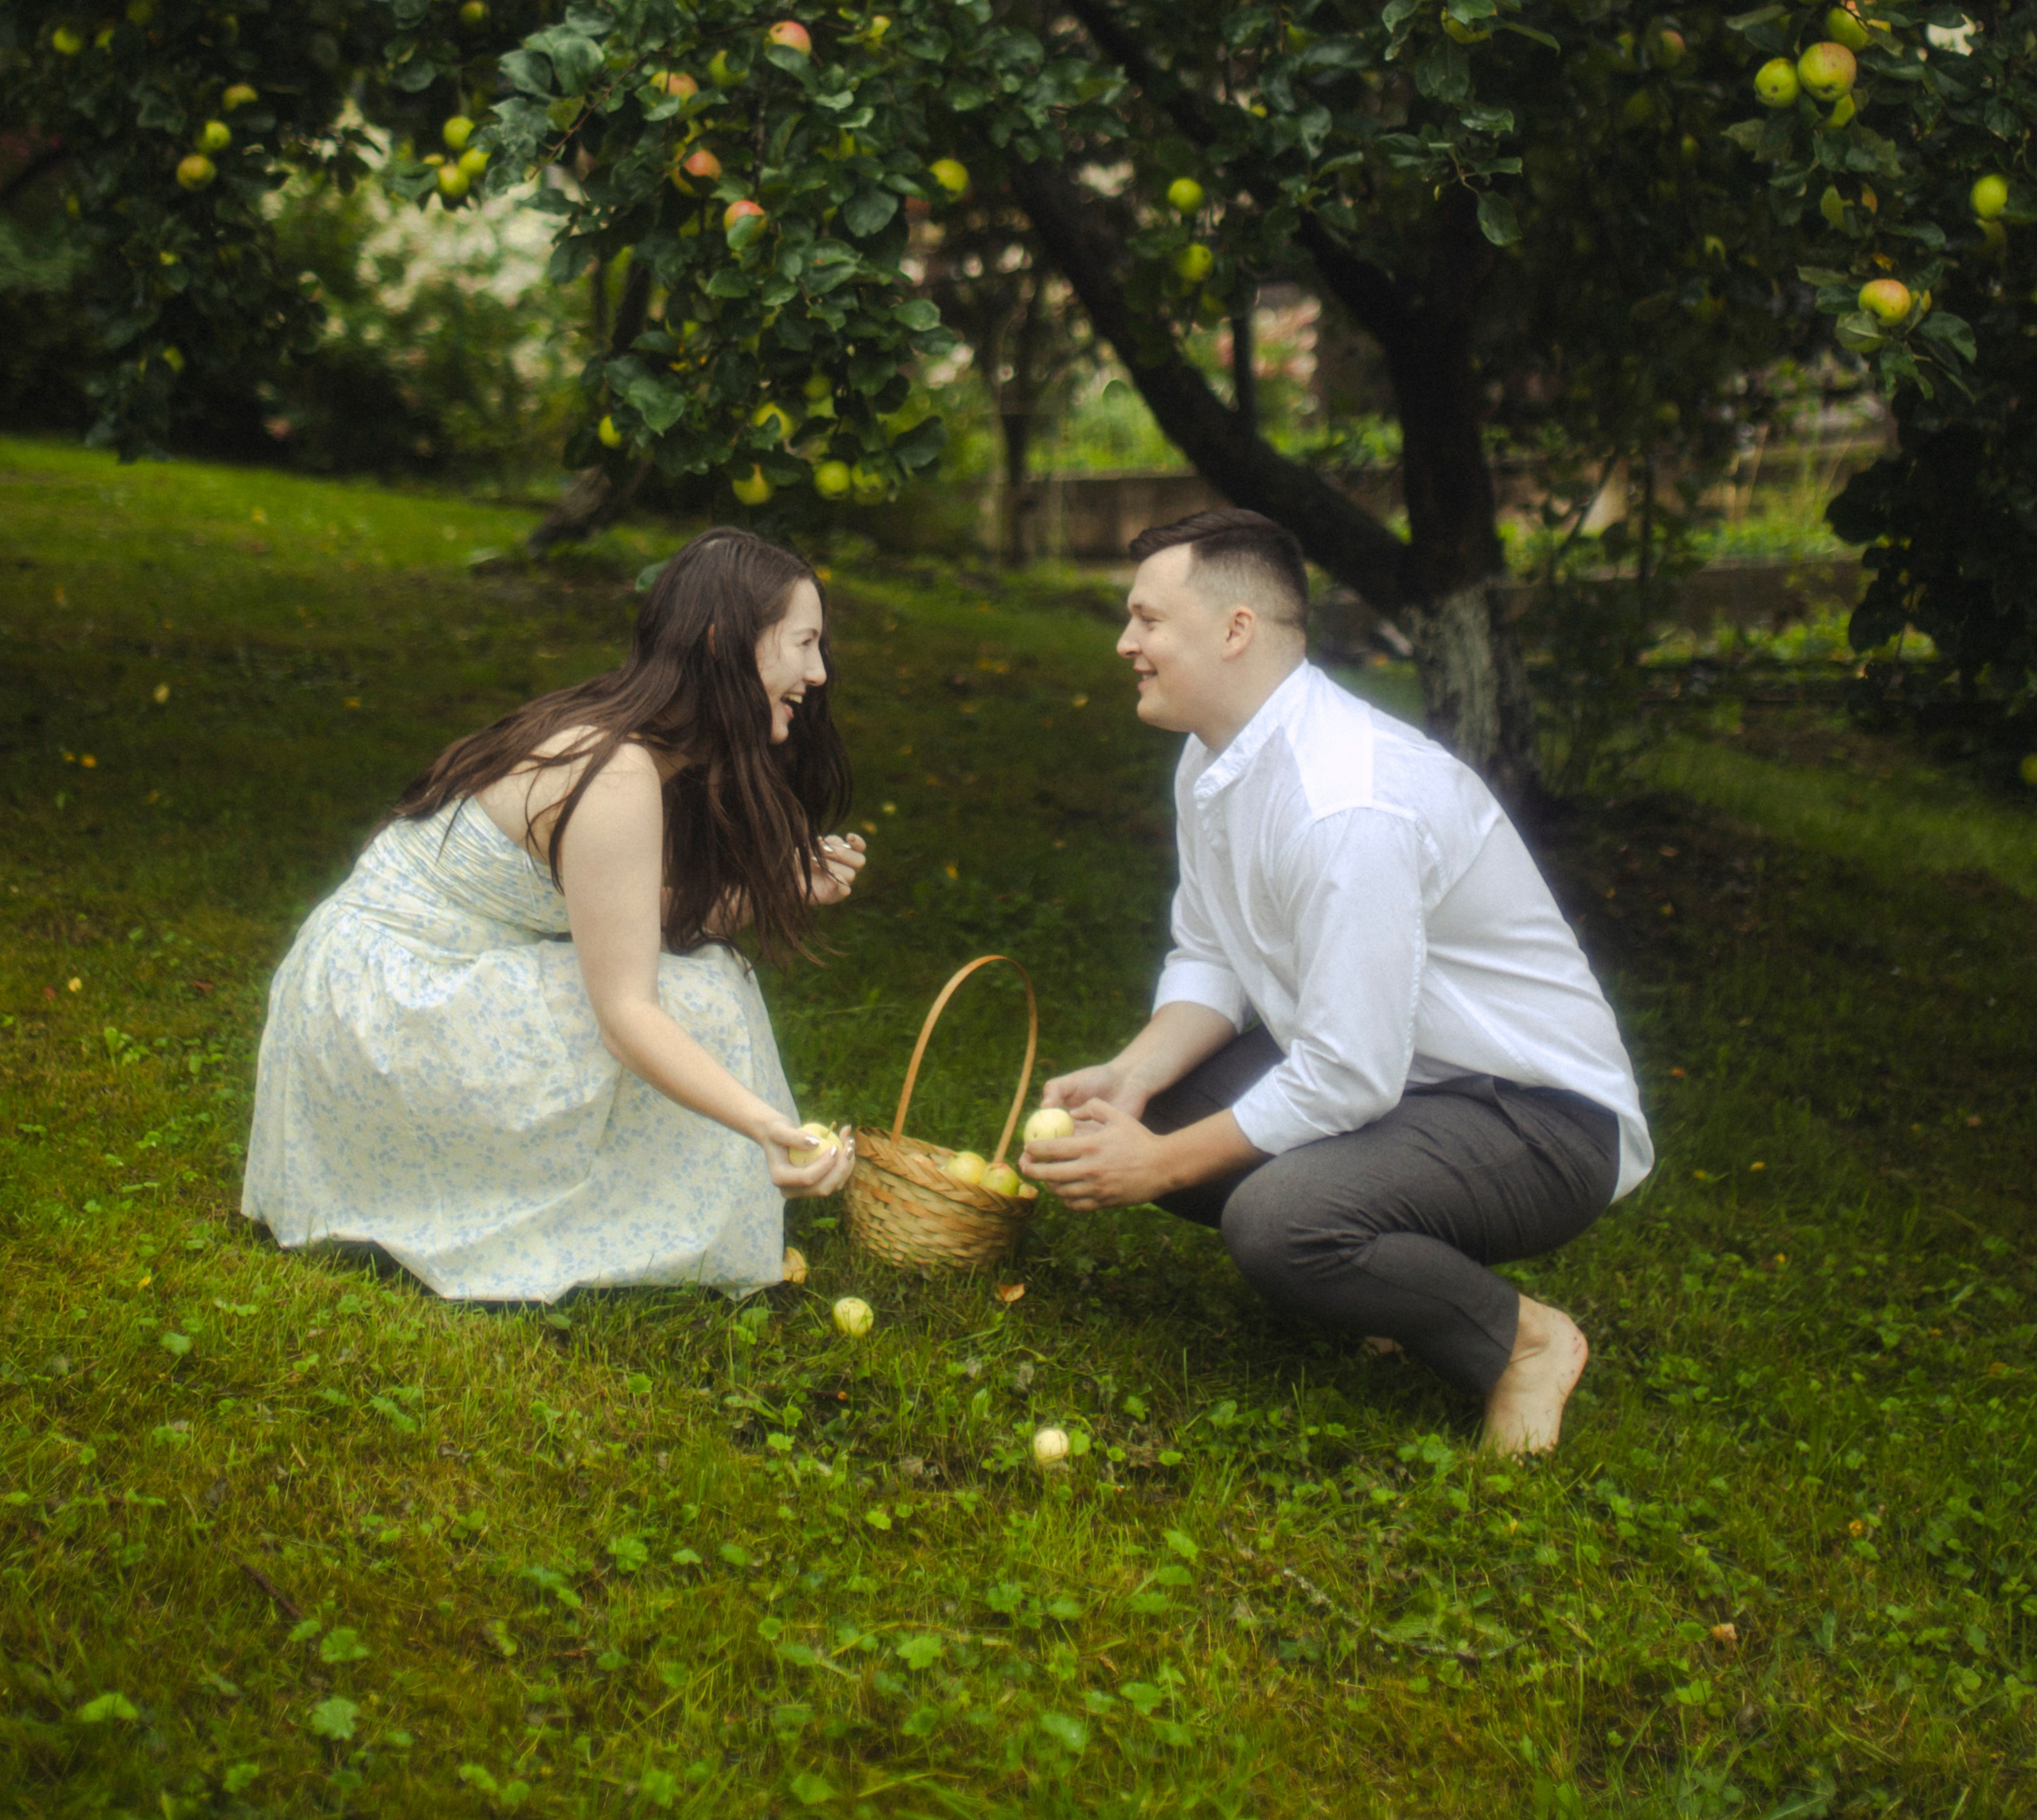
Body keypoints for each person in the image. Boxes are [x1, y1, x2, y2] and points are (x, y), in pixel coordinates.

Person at [1020, 509, 1651, 1453]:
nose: (1126, 643)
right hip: (1412, 1083)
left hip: (1537, 1119)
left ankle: (1522, 1340)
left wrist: (1159, 1165)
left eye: (1148, 619)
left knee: (1275, 1221)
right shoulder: (1214, 757)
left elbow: (1349, 1072)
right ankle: (1392, 1277)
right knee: (1156, 1113)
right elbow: (1214, 951)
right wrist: (1133, 1073)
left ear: (1235, 628)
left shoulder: (1344, 802)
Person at [242, 526, 863, 1303]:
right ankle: (596, 1224)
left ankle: (628, 1218)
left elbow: (639, 917)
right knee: (695, 1001)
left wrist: (782, 888)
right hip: (381, 1009)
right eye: (803, 643)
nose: (817, 671)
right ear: (721, 640)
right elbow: (625, 1011)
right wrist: (767, 1124)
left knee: (708, 980)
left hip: (392, 982)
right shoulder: (615, 773)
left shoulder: (639, 747)